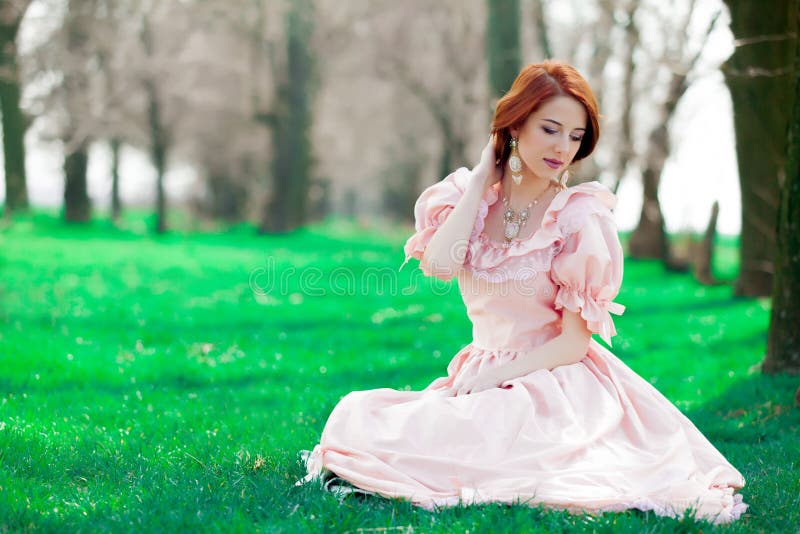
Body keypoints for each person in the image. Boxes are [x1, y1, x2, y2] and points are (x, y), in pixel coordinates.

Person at [299, 60, 747, 524]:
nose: (562, 147)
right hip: (480, 367)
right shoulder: (468, 198)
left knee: (465, 439)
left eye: (575, 136)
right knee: (361, 413)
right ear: (515, 124)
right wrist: (478, 182)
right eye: (550, 129)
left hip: (552, 378)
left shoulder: (578, 216)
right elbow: (439, 264)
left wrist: (501, 377)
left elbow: (575, 343)